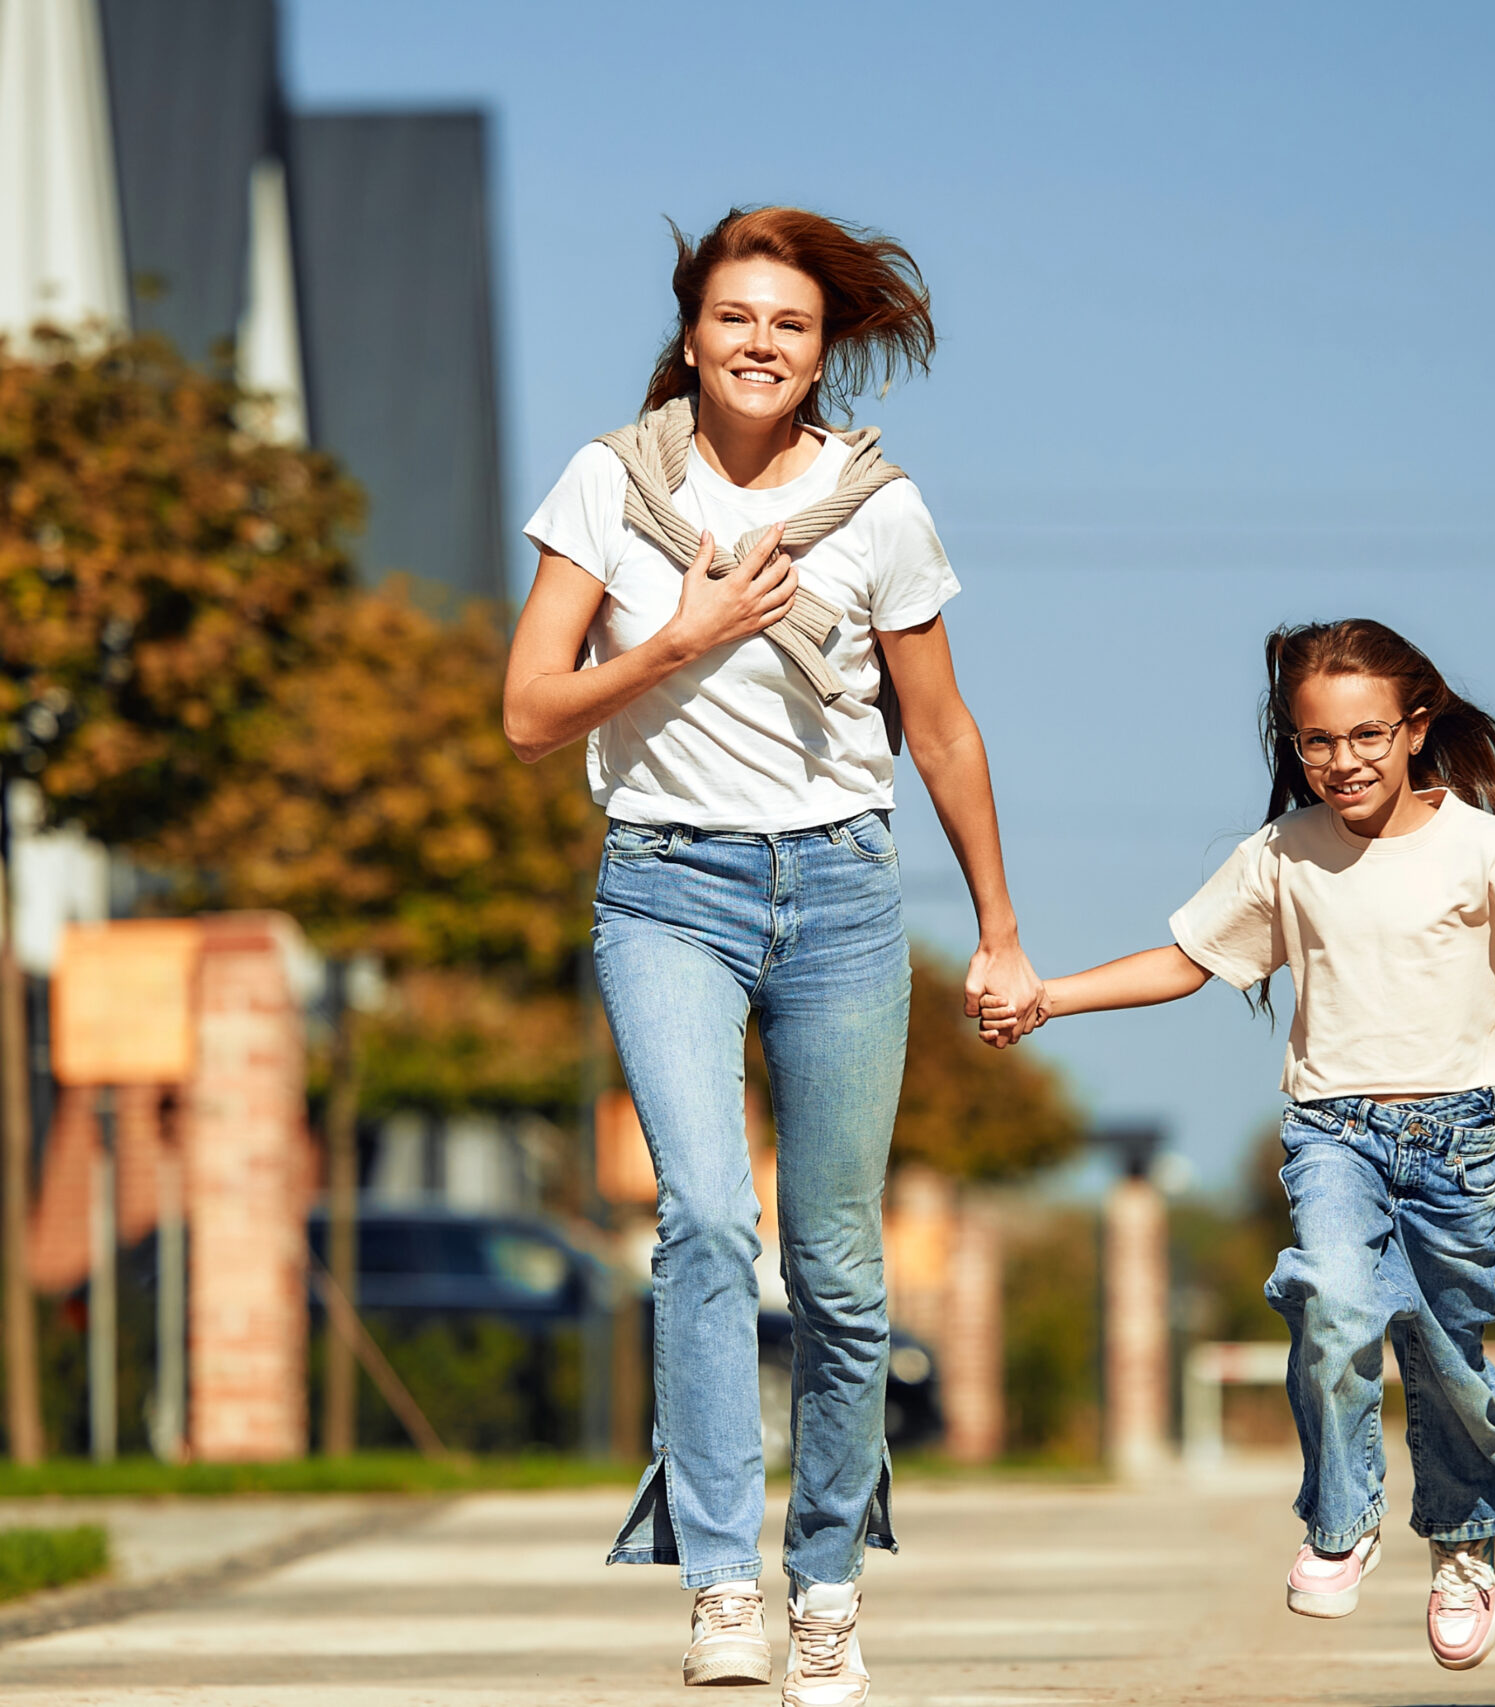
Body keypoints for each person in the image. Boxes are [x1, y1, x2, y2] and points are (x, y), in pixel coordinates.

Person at [501, 206, 1042, 1707]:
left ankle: (827, 1583)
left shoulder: (879, 511)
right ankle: (722, 1578)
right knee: (702, 1222)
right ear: (692, 333)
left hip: (844, 895)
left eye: (789, 324)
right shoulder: (609, 486)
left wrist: (999, 931)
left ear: (823, 353)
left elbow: (940, 730)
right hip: (666, 883)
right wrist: (680, 634)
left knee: (842, 1267)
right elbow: (532, 713)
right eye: (736, 315)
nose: (759, 341)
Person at [977, 618, 1495, 1671]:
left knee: (1445, 1357)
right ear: (1292, 744)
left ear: (1415, 726)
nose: (1341, 761)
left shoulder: (1486, 849)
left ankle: (1464, 1539)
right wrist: (1047, 999)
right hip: (1331, 1135)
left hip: (1455, 1140)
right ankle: (1341, 1523)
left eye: (1365, 736)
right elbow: (1185, 961)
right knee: (1332, 1299)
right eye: (1316, 742)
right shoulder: (1284, 855)